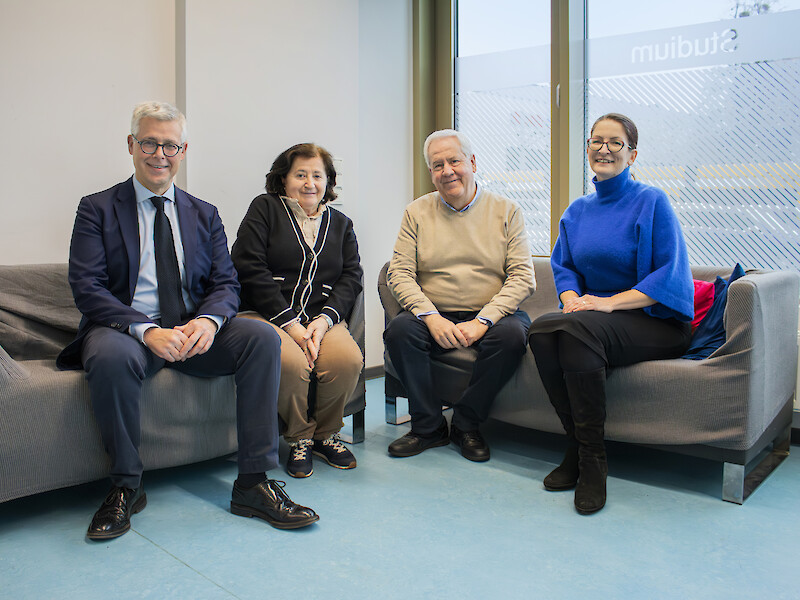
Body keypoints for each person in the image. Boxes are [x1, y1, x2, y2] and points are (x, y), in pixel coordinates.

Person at [57, 101, 319, 540]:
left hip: (193, 330)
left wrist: (210, 322)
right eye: (149, 143)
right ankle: (126, 486)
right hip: (129, 330)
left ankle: (253, 482)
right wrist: (147, 330)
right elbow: (88, 288)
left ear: (184, 151)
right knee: (108, 355)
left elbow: (226, 282)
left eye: (171, 146)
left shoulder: (204, 212)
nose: (160, 154)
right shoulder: (97, 209)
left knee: (260, 336)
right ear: (131, 145)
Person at [528, 113, 694, 515]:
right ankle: (584, 451)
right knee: (542, 330)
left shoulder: (651, 201)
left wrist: (608, 302)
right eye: (596, 141)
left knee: (575, 332)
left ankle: (590, 461)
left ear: (632, 154)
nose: (604, 149)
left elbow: (669, 273)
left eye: (615, 143)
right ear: (587, 148)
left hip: (654, 321)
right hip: (590, 320)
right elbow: (563, 266)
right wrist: (569, 298)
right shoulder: (578, 210)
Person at [384, 129, 535, 462]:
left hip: (493, 313)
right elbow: (399, 273)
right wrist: (429, 315)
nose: (447, 171)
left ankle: (466, 423)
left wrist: (483, 321)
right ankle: (427, 426)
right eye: (437, 165)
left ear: (472, 162)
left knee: (511, 338)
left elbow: (523, 278)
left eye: (454, 160)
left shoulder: (507, 211)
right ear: (431, 174)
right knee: (400, 331)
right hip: (436, 312)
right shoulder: (416, 213)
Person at [231, 143, 363, 478]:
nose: (309, 183)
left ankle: (325, 434)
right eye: (300, 174)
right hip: (264, 316)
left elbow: (351, 276)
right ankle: (300, 437)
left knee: (346, 361)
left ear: (328, 181)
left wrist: (324, 320)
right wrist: (291, 325)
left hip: (321, 319)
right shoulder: (265, 209)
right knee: (290, 362)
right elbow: (249, 268)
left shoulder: (341, 223)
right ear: (283, 179)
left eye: (317, 175)